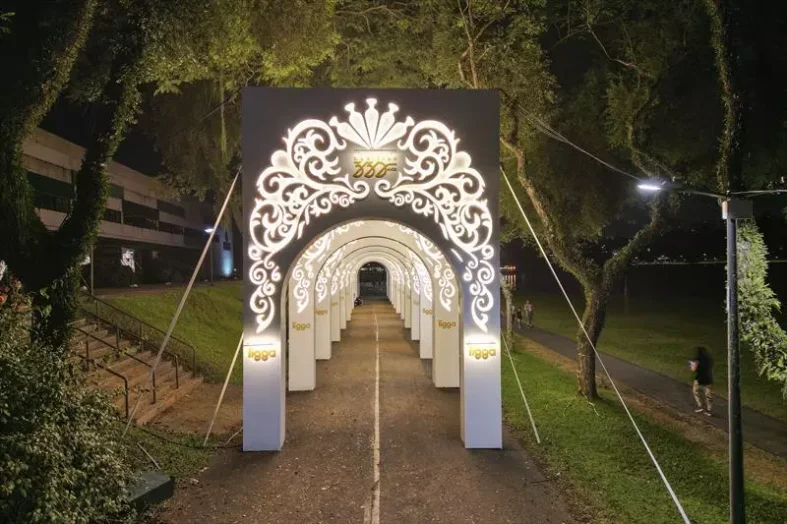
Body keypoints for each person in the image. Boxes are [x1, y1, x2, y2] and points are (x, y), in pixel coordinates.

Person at [690, 346, 713, 416]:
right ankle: (709, 410)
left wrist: (691, 365)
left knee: (695, 392)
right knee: (708, 395)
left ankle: (700, 406)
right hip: (708, 379)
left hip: (699, 378)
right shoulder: (709, 359)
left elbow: (693, 369)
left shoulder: (697, 360)